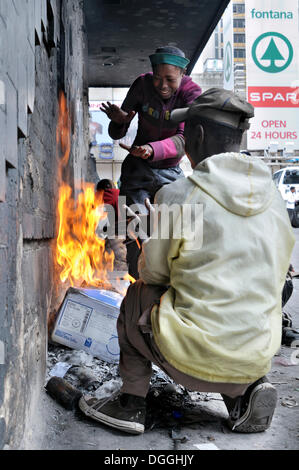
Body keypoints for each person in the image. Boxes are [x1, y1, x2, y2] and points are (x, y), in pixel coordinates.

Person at [79, 89, 295, 435]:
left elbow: (152, 273)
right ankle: (247, 392)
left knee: (137, 296)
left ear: (197, 136)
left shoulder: (183, 195)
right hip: (256, 353)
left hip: (190, 358)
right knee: (244, 303)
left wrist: (149, 237)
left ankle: (130, 404)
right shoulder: (275, 201)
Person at [100, 46, 202, 278]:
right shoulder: (141, 85)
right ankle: (139, 282)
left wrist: (151, 149)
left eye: (170, 79)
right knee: (137, 229)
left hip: (170, 169)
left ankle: (173, 282)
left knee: (177, 226)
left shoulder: (191, 93)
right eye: (157, 78)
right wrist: (119, 122)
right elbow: (118, 131)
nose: (162, 85)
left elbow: (185, 139)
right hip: (138, 169)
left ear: (182, 74)